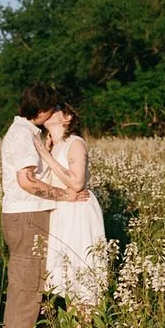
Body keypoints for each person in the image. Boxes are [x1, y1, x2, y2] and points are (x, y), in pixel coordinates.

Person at [0, 84, 89, 328]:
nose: (55, 112)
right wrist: (67, 196)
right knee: (25, 294)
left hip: (30, 215)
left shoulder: (32, 134)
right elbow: (27, 181)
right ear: (39, 112)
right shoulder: (22, 136)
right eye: (50, 109)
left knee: (29, 291)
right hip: (27, 217)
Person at [33, 102, 107, 310]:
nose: (48, 111)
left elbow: (76, 183)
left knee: (81, 269)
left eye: (55, 109)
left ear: (67, 118)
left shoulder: (75, 143)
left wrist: (46, 157)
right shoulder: (52, 146)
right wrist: (47, 152)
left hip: (78, 210)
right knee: (65, 275)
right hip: (62, 209)